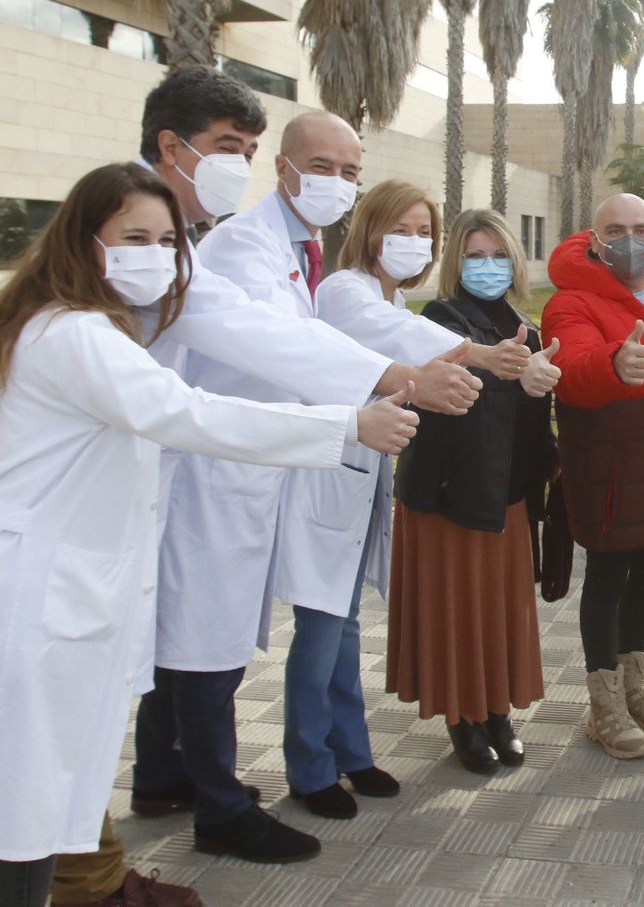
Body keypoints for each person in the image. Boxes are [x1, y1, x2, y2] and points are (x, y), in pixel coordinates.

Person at [50, 68, 479, 907]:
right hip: (184, 481)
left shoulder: (211, 252)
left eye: (246, 149)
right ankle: (215, 808)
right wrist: (389, 381)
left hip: (194, 474)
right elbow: (247, 353)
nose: (236, 166)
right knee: (192, 648)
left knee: (174, 649)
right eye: (227, 149)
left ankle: (154, 794)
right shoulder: (221, 251)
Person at [0, 164, 417, 907]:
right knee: (14, 814)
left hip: (17, 598)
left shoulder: (28, 323)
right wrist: (347, 421)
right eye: (134, 237)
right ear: (83, 241)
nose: (156, 254)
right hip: (25, 607)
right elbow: (186, 412)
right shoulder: (76, 335)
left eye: (166, 240)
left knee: (2, 809)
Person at [272, 181, 515, 817]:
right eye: (400, 230)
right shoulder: (346, 290)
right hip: (327, 476)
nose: (414, 243)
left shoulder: (391, 293)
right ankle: (310, 767)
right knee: (321, 628)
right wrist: (481, 354)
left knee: (344, 625)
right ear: (370, 230)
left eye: (423, 233)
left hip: (362, 477)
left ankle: (351, 752)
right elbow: (398, 335)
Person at [391, 207, 562, 773]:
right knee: (457, 611)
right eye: (473, 255)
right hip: (449, 498)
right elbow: (444, 404)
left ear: (513, 260)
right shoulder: (436, 323)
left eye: (496, 255)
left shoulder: (525, 327)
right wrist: (500, 375)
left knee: (496, 611)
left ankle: (496, 711)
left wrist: (538, 388)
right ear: (455, 263)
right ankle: (462, 719)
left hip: (506, 498)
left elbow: (527, 425)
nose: (486, 266)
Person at [542, 193, 644, 760]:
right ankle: (603, 705)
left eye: (641, 228)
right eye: (616, 230)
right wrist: (613, 365)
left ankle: (634, 684)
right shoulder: (570, 300)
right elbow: (570, 369)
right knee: (608, 574)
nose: (630, 240)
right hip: (609, 461)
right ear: (594, 237)